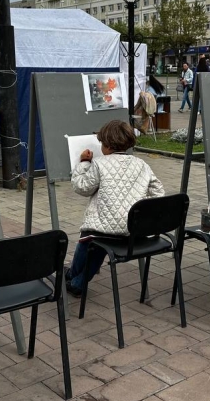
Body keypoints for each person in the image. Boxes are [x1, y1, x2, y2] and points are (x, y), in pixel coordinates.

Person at [65, 120, 164, 297]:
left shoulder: (99, 164)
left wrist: (84, 163)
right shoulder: (142, 165)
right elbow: (158, 192)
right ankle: (76, 281)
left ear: (108, 146)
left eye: (101, 143)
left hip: (102, 230)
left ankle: (74, 278)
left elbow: (82, 187)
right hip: (132, 229)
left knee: (89, 238)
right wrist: (139, 203)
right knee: (100, 242)